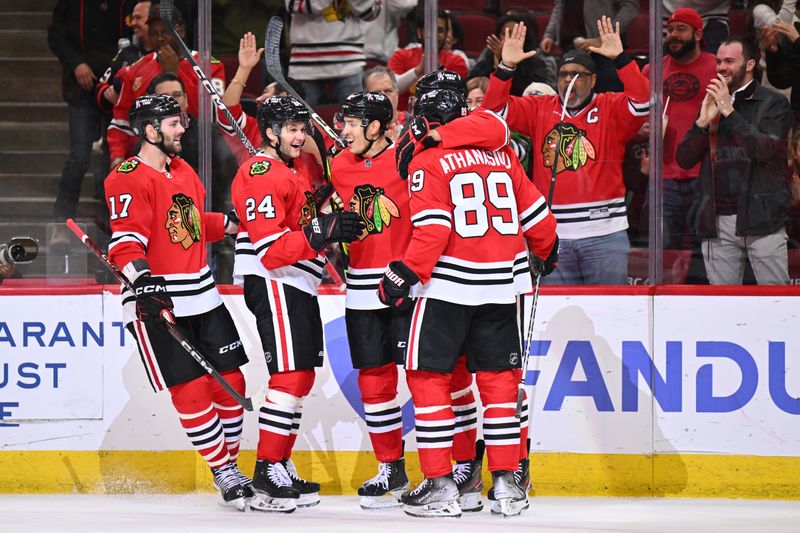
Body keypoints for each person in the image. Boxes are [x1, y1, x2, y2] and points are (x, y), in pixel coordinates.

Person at [377, 89, 558, 518]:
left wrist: (403, 274)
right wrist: (547, 252)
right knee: (499, 386)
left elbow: (434, 231)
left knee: (428, 380)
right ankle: (507, 486)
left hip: (447, 288)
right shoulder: (503, 157)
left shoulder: (427, 160)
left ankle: (441, 483)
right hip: (500, 288)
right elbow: (540, 220)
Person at [104, 94, 250, 510]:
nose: (182, 128)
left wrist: (229, 225)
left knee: (232, 383)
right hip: (160, 301)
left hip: (203, 294)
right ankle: (223, 471)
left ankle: (232, 466)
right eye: (172, 123)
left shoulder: (182, 169)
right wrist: (143, 279)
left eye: (181, 121)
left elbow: (187, 223)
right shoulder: (127, 177)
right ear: (150, 131)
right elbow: (126, 239)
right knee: (190, 391)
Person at [230, 95, 363, 512]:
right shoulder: (260, 170)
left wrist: (322, 208)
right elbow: (270, 248)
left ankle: (279, 463)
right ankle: (266, 470)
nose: (300, 136)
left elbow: (298, 227)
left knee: (301, 376)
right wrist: (322, 227)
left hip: (298, 281)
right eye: (291, 129)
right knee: (289, 376)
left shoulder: (290, 171)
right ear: (268, 133)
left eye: (302, 129)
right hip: (274, 279)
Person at [482, 19, 649, 285]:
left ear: (593, 80)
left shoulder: (609, 107)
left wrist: (620, 59)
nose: (569, 80)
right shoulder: (540, 107)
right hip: (552, 234)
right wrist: (506, 68)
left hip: (605, 233)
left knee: (610, 315)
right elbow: (490, 114)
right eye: (563, 74)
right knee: (556, 320)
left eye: (578, 75)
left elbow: (643, 101)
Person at [675, 36, 792, 285]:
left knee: (777, 303)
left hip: (763, 219)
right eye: (718, 61)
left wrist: (728, 110)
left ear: (749, 64)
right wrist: (701, 124)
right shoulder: (711, 101)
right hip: (717, 221)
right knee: (722, 306)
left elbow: (765, 150)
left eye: (729, 61)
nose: (721, 67)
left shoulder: (774, 103)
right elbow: (684, 159)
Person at [47, 0, 134, 245]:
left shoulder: (128, 5)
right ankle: (61, 224)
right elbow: (56, 35)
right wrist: (76, 63)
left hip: (117, 90)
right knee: (79, 157)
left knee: (115, 160)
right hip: (82, 89)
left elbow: (135, 38)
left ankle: (114, 227)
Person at [108, 4, 226, 167]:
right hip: (148, 157)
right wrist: (117, 156)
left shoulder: (209, 66)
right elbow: (121, 121)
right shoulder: (136, 70)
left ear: (181, 31)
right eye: (154, 33)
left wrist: (175, 72)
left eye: (165, 32)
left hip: (197, 155)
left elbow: (212, 117)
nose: (160, 38)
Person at [641, 8, 717, 251]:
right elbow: (636, 121)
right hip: (663, 176)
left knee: (703, 253)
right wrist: (643, 132)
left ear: (697, 34)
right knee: (662, 253)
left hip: (704, 175)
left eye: (680, 29)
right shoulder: (651, 71)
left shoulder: (717, 67)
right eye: (670, 30)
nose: (673, 35)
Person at [285, 0, 381, 106]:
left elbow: (371, 13)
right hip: (305, 62)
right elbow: (293, 4)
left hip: (348, 60)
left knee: (357, 117)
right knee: (297, 118)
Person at [539, 0, 639, 92]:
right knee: (570, 100)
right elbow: (560, 6)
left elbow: (630, 7)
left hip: (604, 52)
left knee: (609, 99)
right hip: (569, 48)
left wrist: (604, 37)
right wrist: (550, 35)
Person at [388, 9, 469, 111]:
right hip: (404, 120)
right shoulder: (400, 56)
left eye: (440, 30)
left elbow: (458, 96)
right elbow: (393, 87)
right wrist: (417, 72)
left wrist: (439, 69)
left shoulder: (457, 62)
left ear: (446, 34)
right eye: (430, 30)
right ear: (419, 32)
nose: (435, 35)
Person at [96, 0, 153, 113]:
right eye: (133, 18)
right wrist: (108, 93)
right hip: (125, 124)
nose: (133, 23)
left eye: (138, 18)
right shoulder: (125, 53)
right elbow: (101, 86)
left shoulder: (168, 54)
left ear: (154, 20)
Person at [472, 14, 551, 96]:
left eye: (516, 34)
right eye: (505, 33)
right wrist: (498, 64)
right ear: (498, 36)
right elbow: (471, 86)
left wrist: (506, 64)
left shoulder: (536, 64)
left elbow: (532, 91)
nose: (510, 38)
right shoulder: (486, 61)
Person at [364, 66, 405, 140]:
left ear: (397, 94)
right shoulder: (360, 130)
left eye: (388, 91)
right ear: (366, 99)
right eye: (377, 93)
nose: (384, 97)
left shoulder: (413, 125)